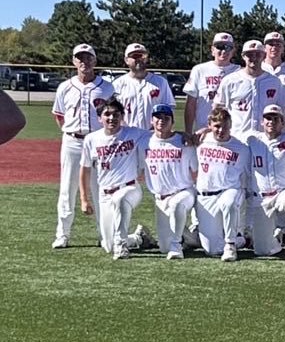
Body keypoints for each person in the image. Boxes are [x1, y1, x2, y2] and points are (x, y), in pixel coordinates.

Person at [51, 43, 115, 249]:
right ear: (73, 61)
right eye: (80, 58)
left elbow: (115, 114)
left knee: (101, 189)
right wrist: (72, 132)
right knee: (67, 188)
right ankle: (63, 234)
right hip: (72, 141)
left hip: (98, 141)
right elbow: (59, 115)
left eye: (88, 57)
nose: (84, 61)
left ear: (95, 61)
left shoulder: (106, 87)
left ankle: (104, 234)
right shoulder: (65, 86)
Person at [78, 98, 151, 259]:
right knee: (108, 245)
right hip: (105, 194)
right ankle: (139, 237)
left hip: (129, 188)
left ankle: (122, 247)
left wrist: (185, 135)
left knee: (120, 199)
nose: (112, 118)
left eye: (116, 114)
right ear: (99, 118)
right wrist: (84, 199)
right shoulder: (91, 139)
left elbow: (161, 135)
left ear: (122, 116)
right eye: (107, 114)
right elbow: (85, 169)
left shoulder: (133, 133)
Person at [244, 105, 285, 263]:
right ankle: (276, 238)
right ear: (262, 121)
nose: (271, 122)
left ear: (283, 122)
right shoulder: (251, 139)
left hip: (283, 193)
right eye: (268, 118)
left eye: (275, 119)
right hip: (261, 199)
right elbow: (226, 137)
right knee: (262, 250)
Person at [193, 108, 251, 261]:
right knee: (212, 250)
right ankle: (240, 240)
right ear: (210, 125)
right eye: (217, 125)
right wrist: (200, 132)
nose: (221, 130)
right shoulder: (200, 142)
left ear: (231, 124)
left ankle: (231, 244)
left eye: (225, 125)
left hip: (229, 190)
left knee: (229, 202)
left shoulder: (242, 149)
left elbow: (248, 176)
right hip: (206, 196)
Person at [142, 104, 195, 260]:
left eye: (166, 118)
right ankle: (190, 238)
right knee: (164, 247)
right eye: (158, 117)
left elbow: (196, 171)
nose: (161, 121)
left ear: (172, 122)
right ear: (151, 120)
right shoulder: (144, 140)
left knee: (177, 205)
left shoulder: (184, 142)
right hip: (160, 198)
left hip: (183, 192)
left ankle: (177, 244)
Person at [215, 40, 285, 135]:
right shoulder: (230, 80)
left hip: (265, 140)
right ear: (243, 56)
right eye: (249, 55)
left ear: (264, 56)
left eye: (258, 54)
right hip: (238, 138)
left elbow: (284, 108)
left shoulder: (274, 81)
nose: (254, 58)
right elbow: (219, 108)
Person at [184, 33, 241, 133]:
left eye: (228, 47)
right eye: (219, 47)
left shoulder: (239, 72)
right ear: (212, 50)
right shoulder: (199, 70)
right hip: (203, 132)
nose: (223, 51)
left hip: (232, 132)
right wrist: (188, 132)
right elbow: (191, 104)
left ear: (233, 51)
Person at [112, 43, 175, 130]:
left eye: (142, 56)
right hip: (126, 135)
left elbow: (169, 108)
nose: (139, 59)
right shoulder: (117, 84)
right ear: (126, 60)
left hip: (153, 135)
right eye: (134, 56)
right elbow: (112, 111)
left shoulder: (160, 82)